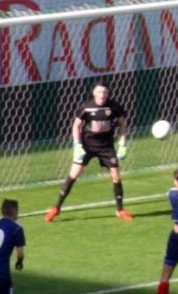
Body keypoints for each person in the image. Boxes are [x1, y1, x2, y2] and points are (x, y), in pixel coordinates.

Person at [45, 81, 132, 222]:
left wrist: (122, 143)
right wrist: (77, 145)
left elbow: (122, 123)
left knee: (116, 176)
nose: (102, 95)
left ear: (108, 94)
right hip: (87, 145)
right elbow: (76, 125)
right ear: (94, 93)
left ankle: (120, 210)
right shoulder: (86, 107)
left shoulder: (114, 106)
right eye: (99, 92)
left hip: (106, 146)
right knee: (74, 174)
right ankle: (56, 208)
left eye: (105, 92)